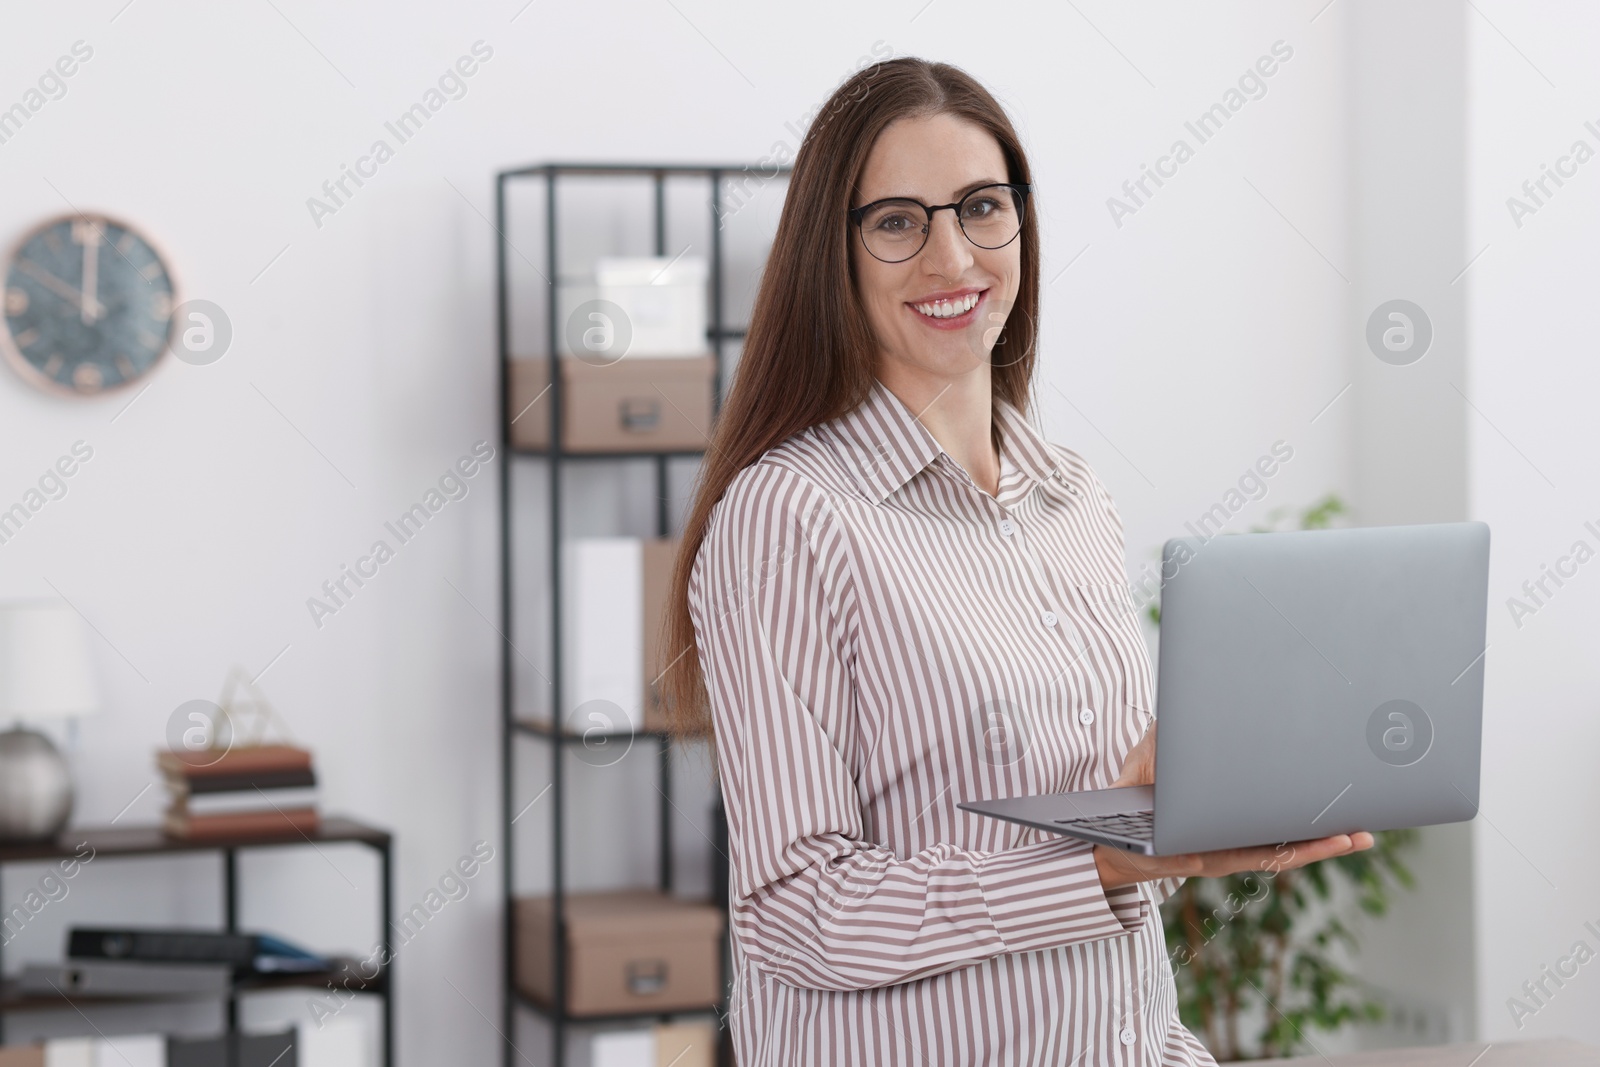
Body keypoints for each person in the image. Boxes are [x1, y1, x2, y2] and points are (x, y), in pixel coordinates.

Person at [659, 56, 1374, 1066]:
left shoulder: (1074, 497)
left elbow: (1117, 871)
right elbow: (797, 911)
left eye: (981, 207)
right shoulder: (789, 516)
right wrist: (1105, 858)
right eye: (897, 220)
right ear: (836, 251)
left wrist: (1191, 815)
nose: (951, 256)